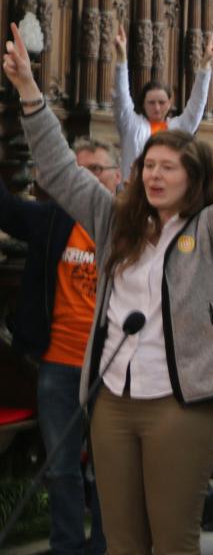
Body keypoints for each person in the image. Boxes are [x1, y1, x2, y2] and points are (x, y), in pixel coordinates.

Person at [6, 26, 213, 554]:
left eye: (167, 167)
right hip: (112, 401)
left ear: (192, 178)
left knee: (172, 540)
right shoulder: (113, 222)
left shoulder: (212, 231)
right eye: (147, 165)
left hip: (180, 405)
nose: (153, 175)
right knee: (122, 543)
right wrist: (30, 92)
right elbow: (60, 171)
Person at [0, 136, 118, 555]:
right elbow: (8, 210)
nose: (83, 178)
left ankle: (106, 546)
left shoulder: (126, 226)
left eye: (94, 170)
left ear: (116, 178)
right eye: (76, 170)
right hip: (58, 365)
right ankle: (67, 546)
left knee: (110, 468)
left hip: (112, 369)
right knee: (62, 467)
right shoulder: (52, 219)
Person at [111, 21, 213, 176]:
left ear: (169, 104)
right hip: (134, 192)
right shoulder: (131, 125)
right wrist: (121, 58)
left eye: (161, 102)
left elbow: (197, 104)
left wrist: (205, 65)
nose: (157, 107)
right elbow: (121, 97)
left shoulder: (179, 128)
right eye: (151, 102)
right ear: (143, 103)